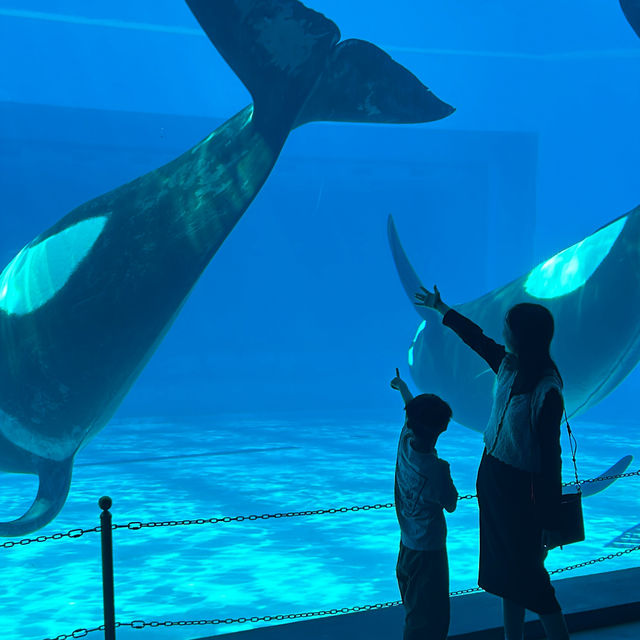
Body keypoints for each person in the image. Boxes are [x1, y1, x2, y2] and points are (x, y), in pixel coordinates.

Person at [414, 285, 570, 640]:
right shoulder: (508, 364)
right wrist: (442, 309)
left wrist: (550, 517)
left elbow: (550, 459)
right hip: (494, 482)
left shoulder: (547, 391)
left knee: (533, 580)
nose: (503, 332)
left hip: (523, 492)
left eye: (508, 328)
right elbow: (476, 338)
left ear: (523, 337)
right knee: (505, 576)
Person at [391, 368, 458, 640]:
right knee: (430, 618)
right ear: (442, 430)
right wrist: (446, 473)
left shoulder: (405, 442)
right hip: (430, 552)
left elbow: (412, 412)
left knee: (414, 607)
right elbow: (451, 503)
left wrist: (403, 387)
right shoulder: (437, 469)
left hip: (407, 546)